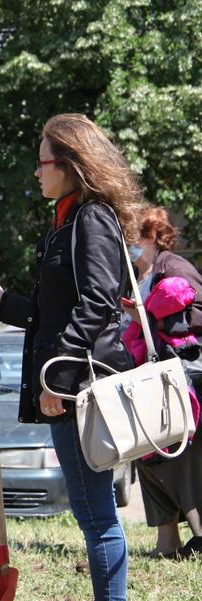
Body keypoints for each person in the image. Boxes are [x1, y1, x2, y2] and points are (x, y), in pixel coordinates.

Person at [0, 114, 140, 601]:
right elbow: (54, 310)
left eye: (43, 160)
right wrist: (6, 301)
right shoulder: (66, 222)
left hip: (82, 390)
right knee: (93, 513)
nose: (37, 170)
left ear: (70, 165)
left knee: (97, 515)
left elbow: (99, 302)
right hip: (72, 386)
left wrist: (60, 378)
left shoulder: (91, 219)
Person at [125, 206, 202, 559]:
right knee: (148, 454)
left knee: (180, 457)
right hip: (147, 377)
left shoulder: (174, 268)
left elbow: (193, 313)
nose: (130, 245)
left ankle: (199, 536)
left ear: (153, 236)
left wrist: (154, 316)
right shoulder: (138, 274)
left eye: (135, 237)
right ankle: (166, 540)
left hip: (179, 379)